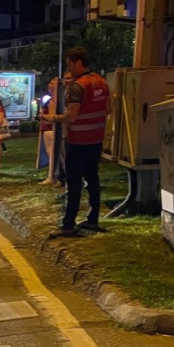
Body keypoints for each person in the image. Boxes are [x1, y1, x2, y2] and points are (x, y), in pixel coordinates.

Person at [45, 47, 110, 236]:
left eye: (69, 64)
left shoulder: (78, 87)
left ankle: (68, 225)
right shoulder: (101, 82)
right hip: (95, 140)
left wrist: (53, 118)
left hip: (77, 142)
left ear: (79, 63)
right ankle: (93, 219)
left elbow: (71, 117)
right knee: (93, 180)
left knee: (74, 184)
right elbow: (108, 109)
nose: (69, 69)